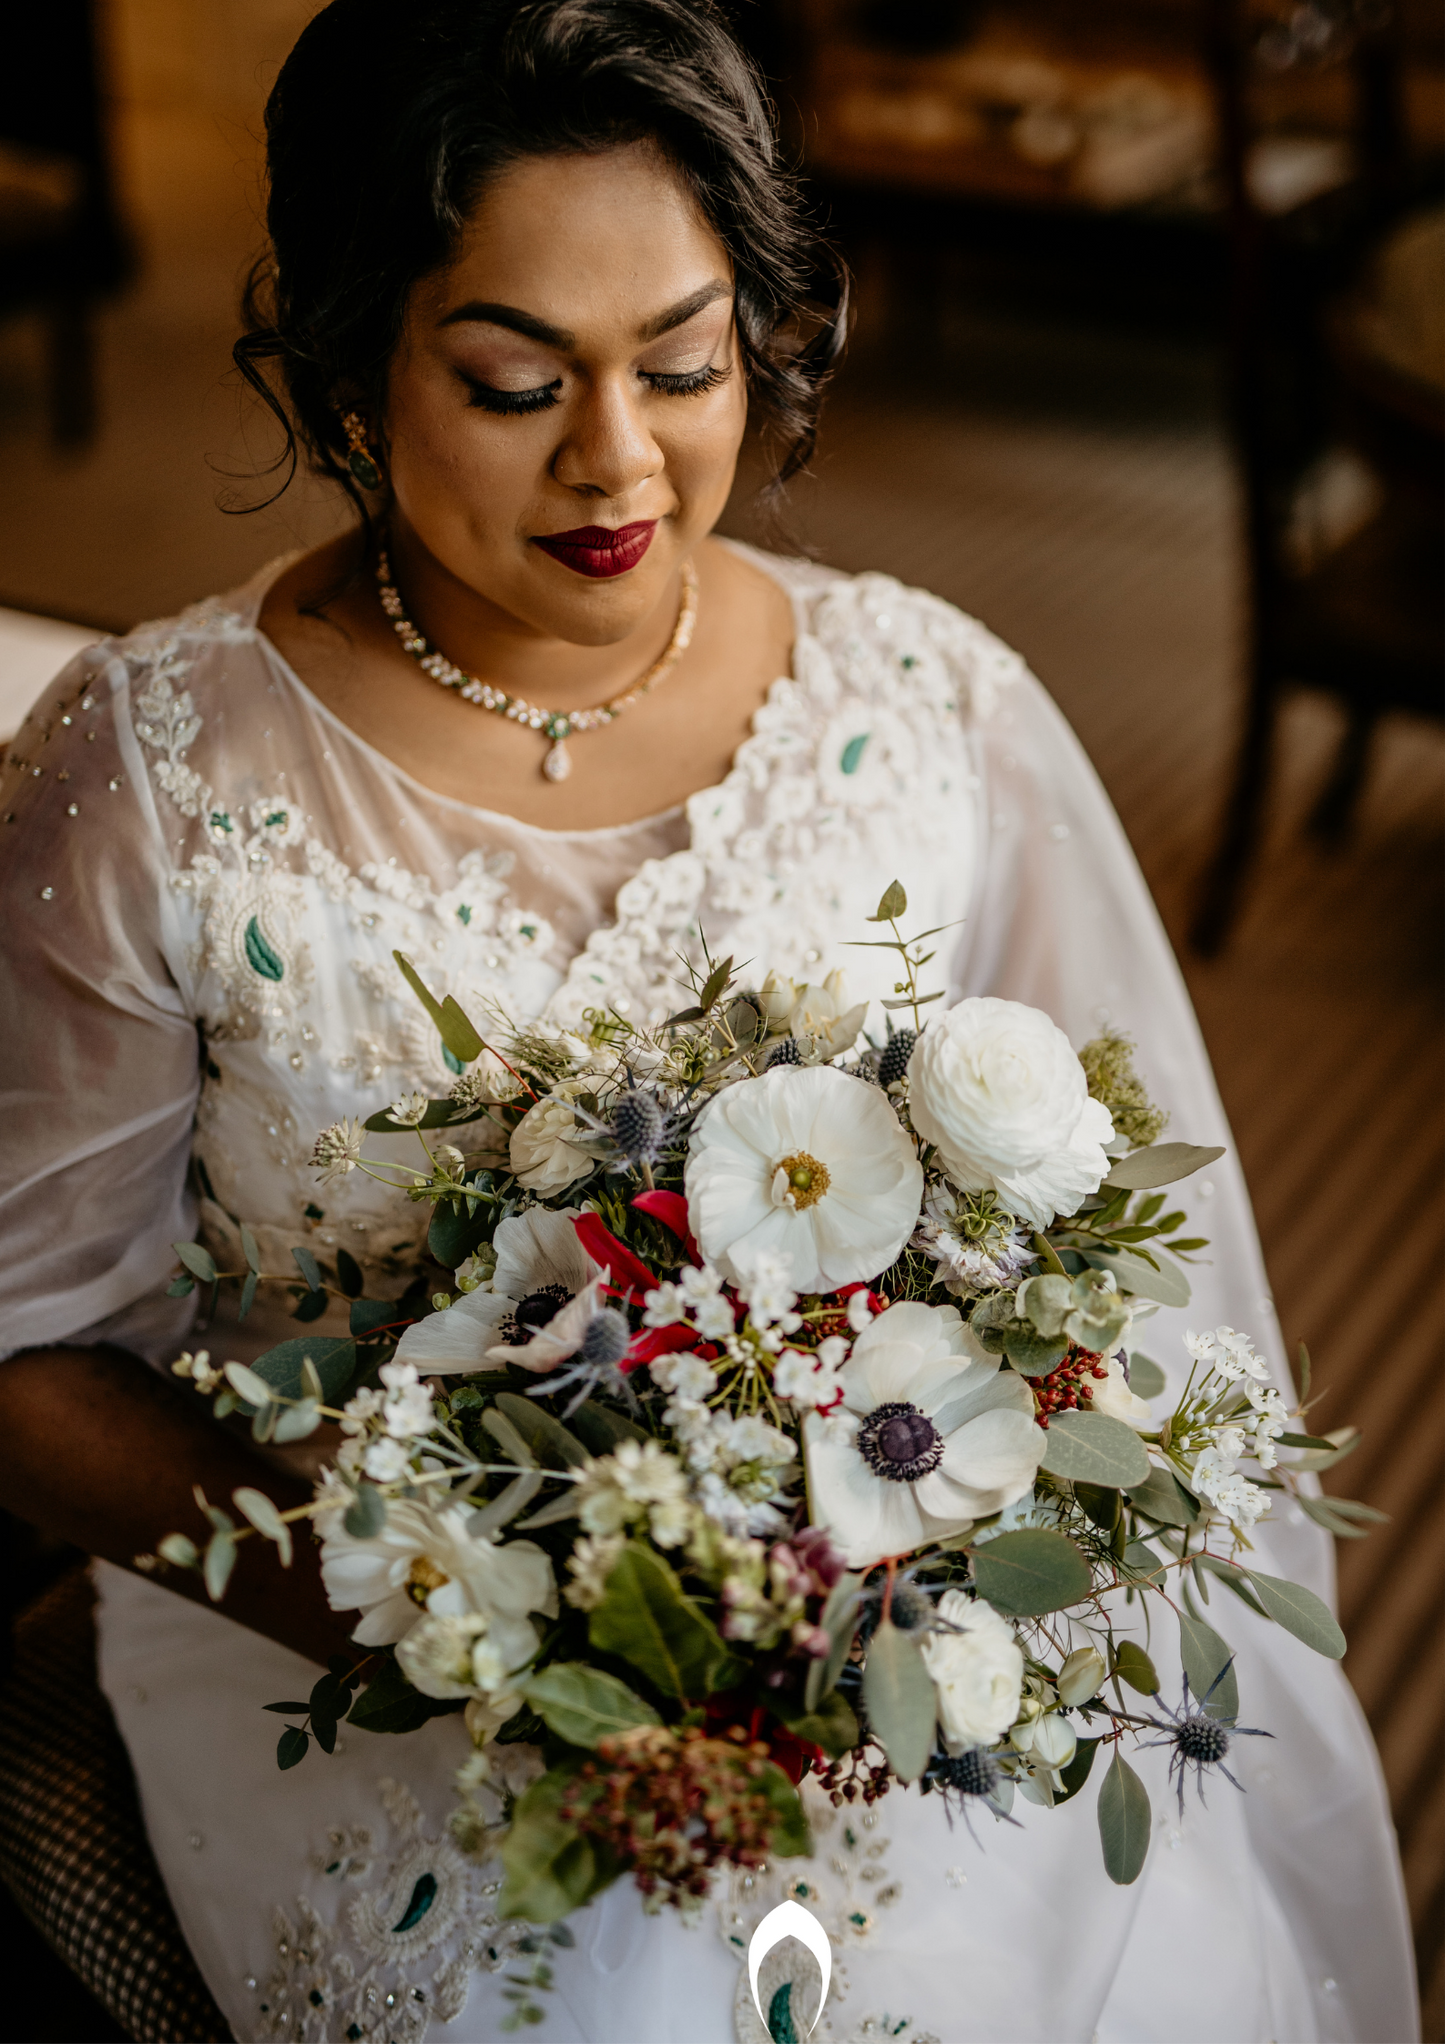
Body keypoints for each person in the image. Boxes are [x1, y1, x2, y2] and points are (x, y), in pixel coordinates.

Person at [0, 3, 1417, 2039]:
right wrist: (461, 1621)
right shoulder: (156, 775)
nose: (616, 459)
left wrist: (911, 1588)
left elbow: (1130, 1276)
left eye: (682, 364)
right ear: (341, 360)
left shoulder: (926, 710)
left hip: (884, 1636)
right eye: (510, 381)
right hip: (354, 1638)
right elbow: (25, 1350)